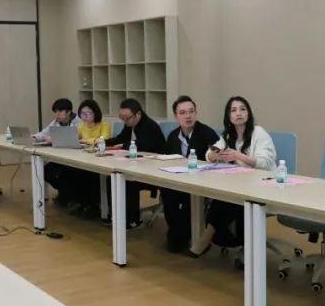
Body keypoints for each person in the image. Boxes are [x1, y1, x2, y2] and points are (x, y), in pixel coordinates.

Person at [192, 96, 276, 255]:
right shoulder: (228, 135)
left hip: (264, 186)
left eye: (243, 109)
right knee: (221, 199)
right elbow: (209, 154)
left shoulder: (258, 133)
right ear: (228, 116)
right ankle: (218, 241)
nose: (239, 113)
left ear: (248, 113)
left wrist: (238, 155)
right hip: (242, 186)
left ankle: (207, 240)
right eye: (234, 110)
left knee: (226, 202)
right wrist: (215, 155)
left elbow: (264, 163)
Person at [161, 95, 218, 253]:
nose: (188, 116)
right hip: (178, 179)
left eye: (191, 111)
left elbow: (217, 160)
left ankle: (187, 236)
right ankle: (176, 233)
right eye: (183, 113)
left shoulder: (207, 134)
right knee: (166, 191)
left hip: (201, 181)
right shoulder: (173, 136)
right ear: (176, 117)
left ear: (196, 113)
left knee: (186, 197)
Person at [106, 98, 165, 229]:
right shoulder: (130, 124)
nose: (124, 121)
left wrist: (122, 145)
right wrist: (103, 143)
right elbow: (121, 138)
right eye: (122, 117)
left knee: (127, 180)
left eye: (127, 118)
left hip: (153, 170)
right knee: (112, 177)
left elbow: (141, 145)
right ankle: (114, 215)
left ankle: (132, 220)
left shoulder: (150, 126)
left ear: (138, 114)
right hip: (138, 165)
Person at [60, 99, 112, 215]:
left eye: (89, 113)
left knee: (87, 175)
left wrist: (86, 140)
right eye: (82, 114)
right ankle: (81, 201)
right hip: (85, 156)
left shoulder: (104, 124)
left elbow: (104, 139)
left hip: (100, 159)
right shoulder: (81, 125)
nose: (85, 116)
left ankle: (92, 204)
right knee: (70, 171)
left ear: (96, 113)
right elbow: (75, 138)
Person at [36, 98, 80, 207]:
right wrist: (34, 137)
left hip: (76, 158)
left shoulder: (78, 122)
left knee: (68, 174)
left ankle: (71, 196)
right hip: (61, 157)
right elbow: (43, 133)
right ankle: (66, 194)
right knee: (46, 171)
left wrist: (53, 139)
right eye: (55, 111)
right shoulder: (55, 122)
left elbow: (75, 138)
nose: (57, 114)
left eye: (60, 111)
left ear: (68, 112)